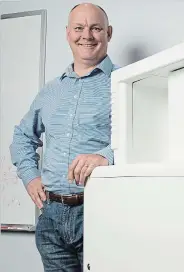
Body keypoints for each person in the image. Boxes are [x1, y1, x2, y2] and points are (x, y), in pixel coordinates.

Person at [9, 3, 118, 271]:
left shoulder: (125, 83)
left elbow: (148, 139)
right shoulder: (50, 91)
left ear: (109, 32)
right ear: (68, 33)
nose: (87, 35)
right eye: (79, 28)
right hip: (52, 216)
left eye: (95, 28)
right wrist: (30, 176)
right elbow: (22, 137)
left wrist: (107, 156)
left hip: (101, 211)